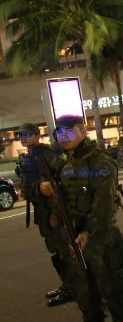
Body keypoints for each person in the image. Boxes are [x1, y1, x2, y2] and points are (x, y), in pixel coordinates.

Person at [39, 115, 123, 322]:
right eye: (58, 132)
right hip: (71, 238)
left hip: (99, 239)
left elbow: (105, 205)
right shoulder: (62, 163)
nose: (62, 137)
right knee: (84, 291)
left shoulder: (100, 162)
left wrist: (87, 233)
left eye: (68, 131)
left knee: (114, 290)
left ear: (82, 130)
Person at [15, 123, 71, 307]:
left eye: (27, 134)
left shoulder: (45, 154)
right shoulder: (30, 156)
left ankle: (72, 288)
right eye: (20, 135)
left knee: (62, 249)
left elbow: (57, 182)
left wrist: (56, 212)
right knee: (54, 249)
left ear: (37, 135)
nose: (23, 137)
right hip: (41, 208)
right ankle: (66, 285)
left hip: (51, 209)